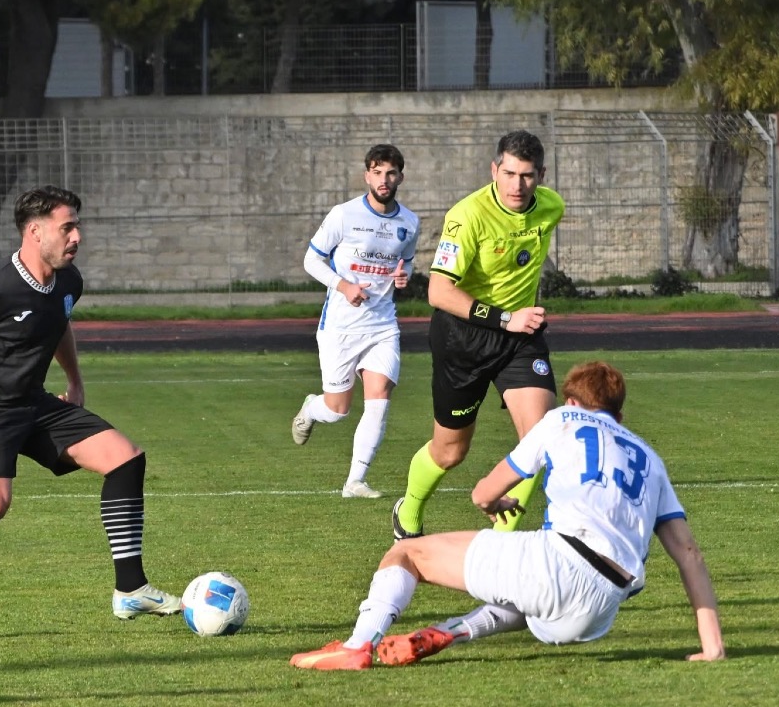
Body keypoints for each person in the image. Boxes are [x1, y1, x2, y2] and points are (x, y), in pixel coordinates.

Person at [0, 185, 180, 645]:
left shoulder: (68, 281)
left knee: (125, 458)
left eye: (77, 226)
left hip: (34, 404)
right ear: (35, 231)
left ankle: (130, 589)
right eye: (67, 227)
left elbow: (59, 322)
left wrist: (75, 381)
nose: (76, 236)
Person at [290, 361, 725, 670]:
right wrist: (712, 648)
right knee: (528, 597)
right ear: (620, 414)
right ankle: (451, 631)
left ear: (572, 400)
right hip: (602, 608)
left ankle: (358, 646)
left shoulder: (562, 418)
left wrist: (493, 504)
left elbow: (484, 492)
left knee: (407, 553)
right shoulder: (650, 458)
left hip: (559, 563)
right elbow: (689, 554)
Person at [392, 129, 564, 538]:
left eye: (527, 175)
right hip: (462, 338)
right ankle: (408, 511)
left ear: (541, 175)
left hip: (520, 339)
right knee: (450, 451)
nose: (517, 185)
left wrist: (515, 321)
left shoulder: (551, 207)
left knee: (539, 442)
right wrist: (505, 318)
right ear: (494, 170)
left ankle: (499, 548)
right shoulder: (467, 215)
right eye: (509, 174)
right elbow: (438, 292)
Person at [291, 143, 420, 499]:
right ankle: (311, 408)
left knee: (379, 399)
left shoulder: (409, 222)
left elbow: (407, 263)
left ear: (400, 177)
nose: (384, 179)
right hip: (341, 327)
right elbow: (311, 260)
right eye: (377, 173)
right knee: (338, 410)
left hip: (382, 325)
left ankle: (355, 481)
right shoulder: (343, 215)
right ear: (367, 176)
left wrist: (404, 276)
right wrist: (344, 286)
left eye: (391, 173)